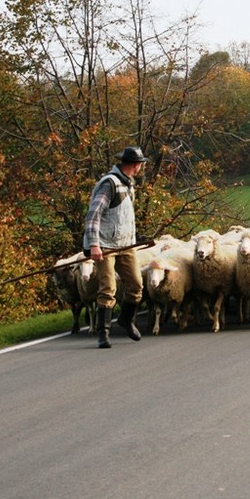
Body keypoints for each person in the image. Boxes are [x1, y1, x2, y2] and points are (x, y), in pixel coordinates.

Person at [83, 146, 148, 348]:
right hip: (105, 245)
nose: (141, 167)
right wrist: (94, 245)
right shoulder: (109, 184)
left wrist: (136, 237)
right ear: (136, 165)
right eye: (141, 164)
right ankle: (104, 333)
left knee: (136, 285)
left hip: (125, 244)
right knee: (108, 287)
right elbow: (93, 216)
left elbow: (122, 216)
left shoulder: (129, 184)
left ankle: (126, 320)